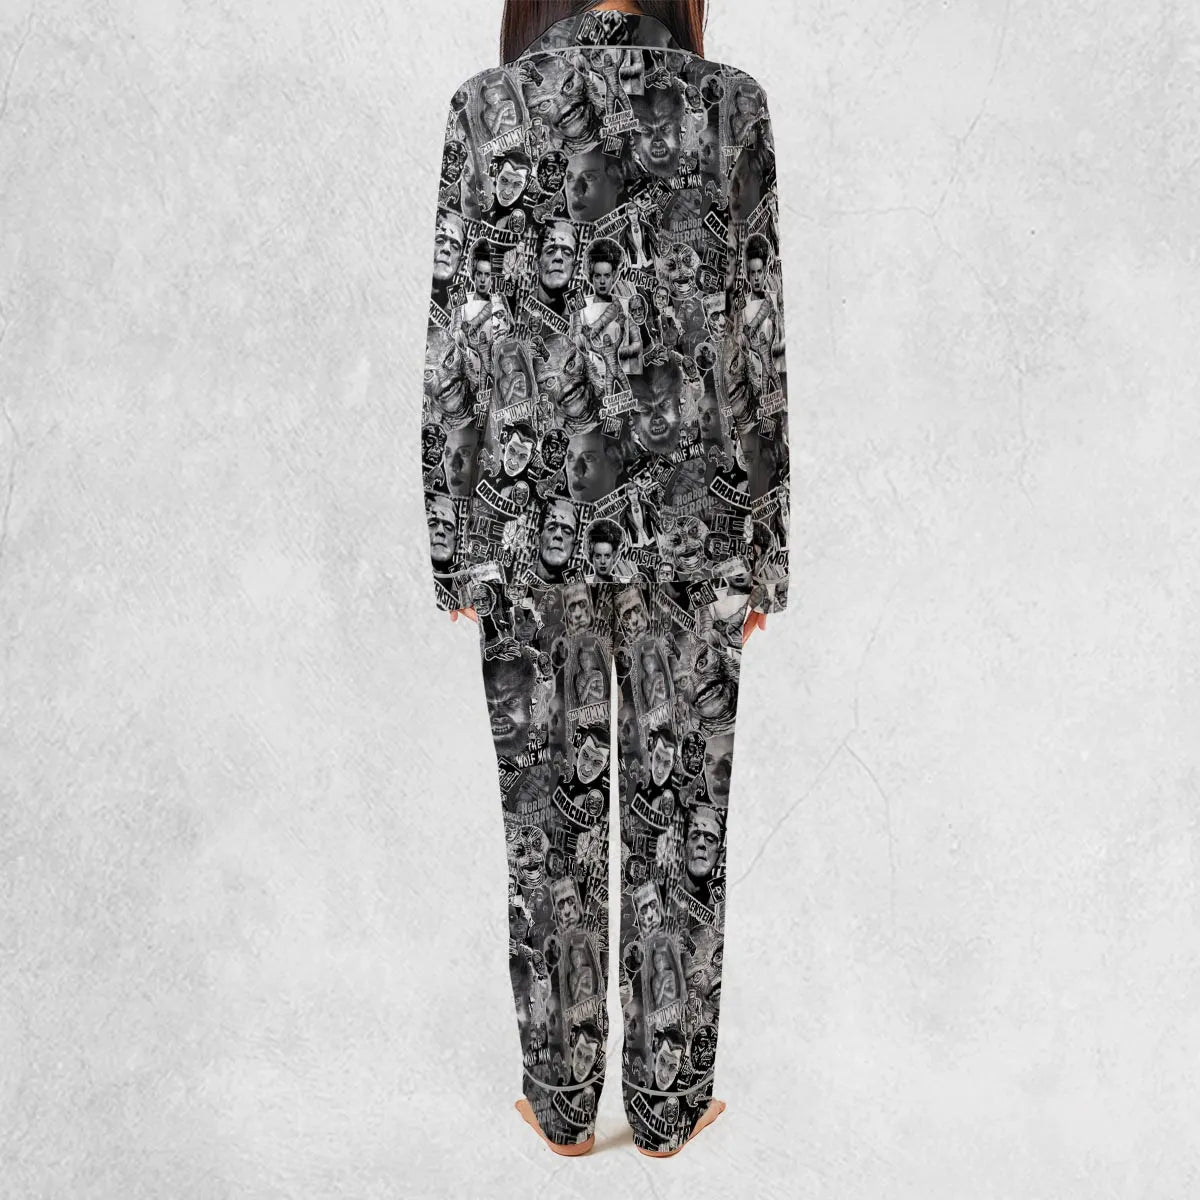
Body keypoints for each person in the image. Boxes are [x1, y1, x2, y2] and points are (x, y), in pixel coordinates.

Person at [418, 0, 791, 1159]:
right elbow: (756, 336)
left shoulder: (486, 111)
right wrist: (764, 545)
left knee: (548, 832)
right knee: (682, 824)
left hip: (528, 529)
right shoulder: (730, 107)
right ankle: (671, 1109)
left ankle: (564, 1105)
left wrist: (452, 536)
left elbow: (459, 335)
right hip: (693, 529)